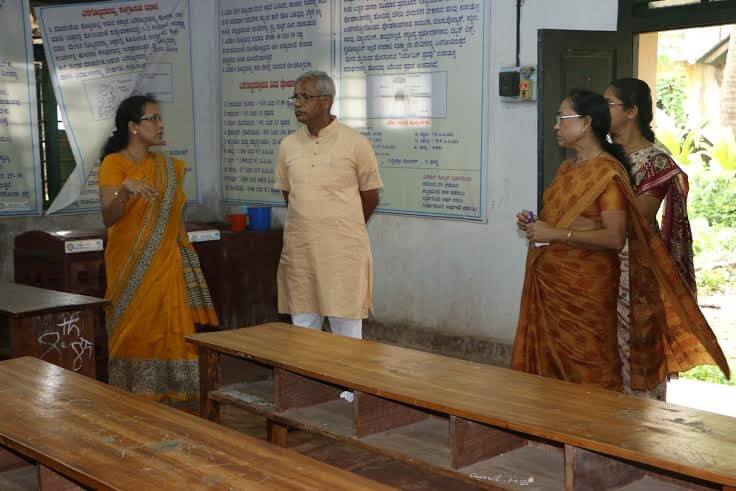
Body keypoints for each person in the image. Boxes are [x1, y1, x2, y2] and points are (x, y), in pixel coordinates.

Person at [512, 89, 728, 393]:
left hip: (588, 286)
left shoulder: (608, 173)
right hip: (555, 284)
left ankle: (600, 431)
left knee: (591, 366)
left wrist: (557, 233)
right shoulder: (567, 169)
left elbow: (614, 237)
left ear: (586, 123)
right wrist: (539, 225)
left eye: (562, 118)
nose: (555, 126)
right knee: (553, 370)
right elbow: (562, 222)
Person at [98, 95, 217, 408]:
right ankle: (134, 388)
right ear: (133, 127)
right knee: (135, 327)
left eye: (160, 118)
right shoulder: (115, 164)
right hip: (128, 264)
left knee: (168, 321)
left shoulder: (168, 167)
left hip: (168, 260)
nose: (161, 124)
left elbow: (176, 218)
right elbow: (108, 217)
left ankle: (173, 387)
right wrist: (125, 190)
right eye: (153, 118)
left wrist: (186, 258)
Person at [605, 78, 697, 399]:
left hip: (636, 266)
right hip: (597, 260)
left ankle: (641, 426)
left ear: (631, 112)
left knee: (636, 344)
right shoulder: (604, 155)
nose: (602, 110)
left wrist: (585, 222)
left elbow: (639, 217)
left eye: (610, 104)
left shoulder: (655, 161)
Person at [274, 71, 382, 340]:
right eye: (296, 96)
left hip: (342, 251)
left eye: (305, 96)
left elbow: (370, 196)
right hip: (302, 250)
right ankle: (308, 383)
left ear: (326, 101)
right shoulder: (288, 145)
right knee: (304, 321)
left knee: (345, 324)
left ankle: (348, 384)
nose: (298, 103)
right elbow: (290, 195)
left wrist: (341, 224)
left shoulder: (356, 144)